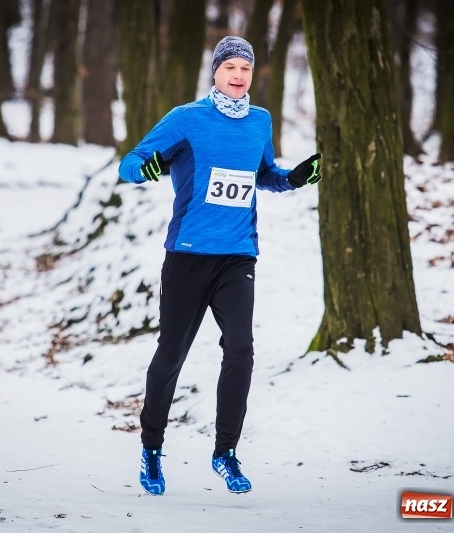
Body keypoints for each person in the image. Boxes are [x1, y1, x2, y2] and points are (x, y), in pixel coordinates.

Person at [118, 35, 322, 496]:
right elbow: (128, 163)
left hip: (237, 255)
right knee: (171, 354)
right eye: (229, 66)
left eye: (245, 69)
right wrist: (144, 169)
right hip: (188, 254)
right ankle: (152, 449)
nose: (237, 75)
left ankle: (225, 452)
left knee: (241, 350)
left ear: (252, 76)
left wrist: (291, 179)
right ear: (215, 72)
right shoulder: (187, 119)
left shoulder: (260, 122)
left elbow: (263, 175)